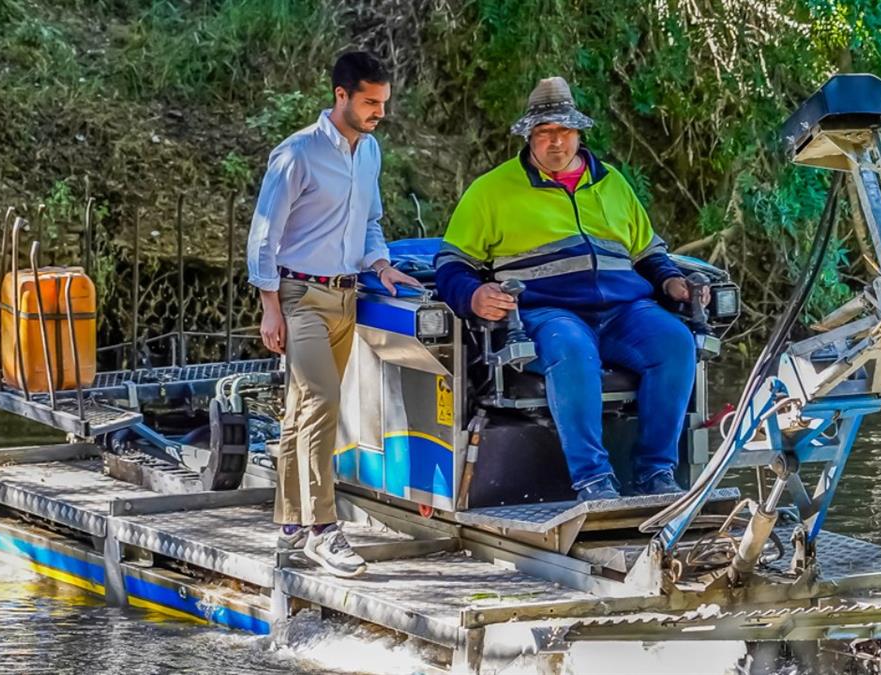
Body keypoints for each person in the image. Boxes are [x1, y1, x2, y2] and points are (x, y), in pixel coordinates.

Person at [434, 76, 706, 502]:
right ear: (529, 137)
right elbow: (451, 264)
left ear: (579, 133)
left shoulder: (612, 182)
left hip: (623, 311)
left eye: (563, 132)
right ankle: (593, 480)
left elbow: (648, 253)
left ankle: (656, 474)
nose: (554, 143)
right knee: (572, 349)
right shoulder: (491, 191)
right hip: (547, 313)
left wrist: (672, 281)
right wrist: (473, 296)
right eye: (544, 133)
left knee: (675, 342)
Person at [246, 51, 419, 576]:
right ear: (340, 95)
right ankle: (324, 529)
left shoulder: (370, 153)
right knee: (322, 401)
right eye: (370, 102)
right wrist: (270, 308)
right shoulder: (297, 153)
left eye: (383, 103)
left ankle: (292, 522)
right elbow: (262, 237)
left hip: (347, 297)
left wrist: (383, 266)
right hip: (299, 296)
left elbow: (370, 221)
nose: (378, 113)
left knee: (303, 410)